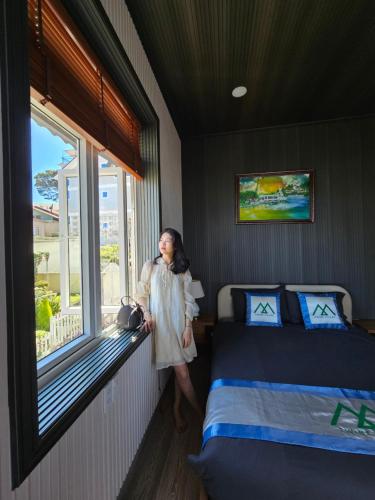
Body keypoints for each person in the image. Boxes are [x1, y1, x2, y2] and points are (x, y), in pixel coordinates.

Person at [136, 228, 203, 432]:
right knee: (182, 372)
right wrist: (147, 314)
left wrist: (188, 327)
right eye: (161, 240)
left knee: (180, 371)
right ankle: (201, 415)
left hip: (180, 326)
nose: (162, 244)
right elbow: (141, 293)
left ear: (176, 245)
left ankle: (176, 408)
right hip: (163, 328)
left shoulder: (182, 269)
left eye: (168, 241)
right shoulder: (150, 266)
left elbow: (189, 300)